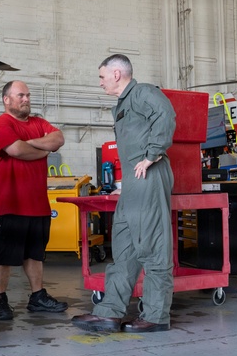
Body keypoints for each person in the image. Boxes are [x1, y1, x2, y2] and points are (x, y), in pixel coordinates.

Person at [71, 54, 176, 333]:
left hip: (148, 176)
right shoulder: (122, 104)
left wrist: (152, 155)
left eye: (102, 76)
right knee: (124, 245)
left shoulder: (143, 93)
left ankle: (156, 315)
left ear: (117, 74)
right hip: (132, 182)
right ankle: (109, 312)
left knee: (153, 246)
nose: (101, 82)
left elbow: (166, 115)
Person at [0, 80, 68, 320]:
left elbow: (58, 139)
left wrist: (29, 144)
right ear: (6, 100)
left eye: (28, 95)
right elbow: (17, 151)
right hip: (10, 206)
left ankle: (37, 297)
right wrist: (41, 149)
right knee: (4, 256)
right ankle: (0, 301)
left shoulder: (38, 123)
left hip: (38, 205)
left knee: (35, 254)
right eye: (20, 95)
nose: (26, 99)